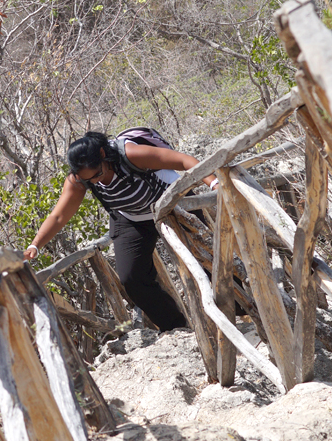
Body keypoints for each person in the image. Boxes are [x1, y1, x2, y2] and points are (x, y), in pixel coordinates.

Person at [23, 129, 218, 331]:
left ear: (102, 154)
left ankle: (239, 309)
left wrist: (215, 183)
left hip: (173, 206)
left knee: (206, 258)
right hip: (131, 217)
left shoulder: (131, 155)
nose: (96, 181)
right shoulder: (80, 179)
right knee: (132, 279)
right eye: (90, 180)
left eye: (98, 174)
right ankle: (176, 327)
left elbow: (184, 161)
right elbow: (59, 216)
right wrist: (35, 245)